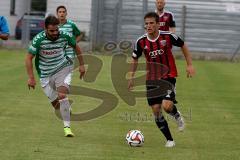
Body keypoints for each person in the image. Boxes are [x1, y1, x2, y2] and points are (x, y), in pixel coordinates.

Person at [128, 12, 195, 147]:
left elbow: (183, 45)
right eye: (146, 23)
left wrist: (189, 64)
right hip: (151, 79)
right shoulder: (141, 41)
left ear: (158, 24)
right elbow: (135, 58)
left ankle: (176, 116)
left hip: (168, 76)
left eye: (152, 23)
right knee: (156, 110)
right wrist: (131, 77)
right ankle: (170, 140)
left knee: (166, 105)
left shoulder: (168, 36)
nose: (149, 26)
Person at [25, 15, 85, 137]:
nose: (55, 32)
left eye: (56, 29)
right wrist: (31, 77)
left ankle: (67, 128)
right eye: (52, 30)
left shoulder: (65, 35)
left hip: (63, 68)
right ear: (45, 29)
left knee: (62, 94)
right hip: (45, 74)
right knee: (56, 105)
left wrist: (82, 65)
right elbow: (28, 58)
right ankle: (66, 108)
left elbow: (77, 48)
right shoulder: (38, 40)